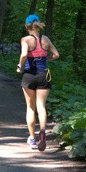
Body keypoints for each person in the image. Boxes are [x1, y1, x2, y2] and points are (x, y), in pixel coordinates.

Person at [16, 14, 59, 151]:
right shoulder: (45, 39)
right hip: (43, 75)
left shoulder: (25, 40)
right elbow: (56, 55)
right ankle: (42, 131)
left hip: (29, 75)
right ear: (37, 24)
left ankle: (32, 139)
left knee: (30, 108)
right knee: (41, 106)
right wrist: (47, 60)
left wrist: (19, 65)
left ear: (26, 26)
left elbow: (23, 55)